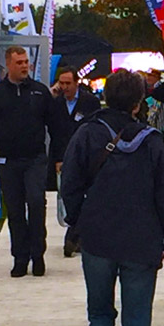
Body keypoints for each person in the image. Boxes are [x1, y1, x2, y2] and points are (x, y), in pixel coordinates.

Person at [61, 69, 164, 326]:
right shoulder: (152, 141)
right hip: (142, 244)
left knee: (99, 314)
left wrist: (78, 223)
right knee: (137, 319)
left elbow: (68, 185)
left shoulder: (85, 135)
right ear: (138, 102)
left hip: (97, 240)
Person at [0, 46, 66, 278]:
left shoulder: (39, 92)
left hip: (35, 159)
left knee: (36, 204)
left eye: (26, 62)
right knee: (15, 211)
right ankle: (20, 257)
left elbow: (55, 127)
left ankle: (38, 255)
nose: (25, 66)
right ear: (8, 65)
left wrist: (59, 157)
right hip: (8, 161)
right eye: (19, 63)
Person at [50, 66, 102, 257]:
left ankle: (73, 236)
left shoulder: (90, 102)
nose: (64, 87)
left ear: (76, 83)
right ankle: (75, 233)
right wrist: (57, 158)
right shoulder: (55, 104)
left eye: (68, 83)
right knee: (69, 196)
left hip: (88, 156)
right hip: (64, 157)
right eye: (61, 83)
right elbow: (54, 133)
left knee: (87, 196)